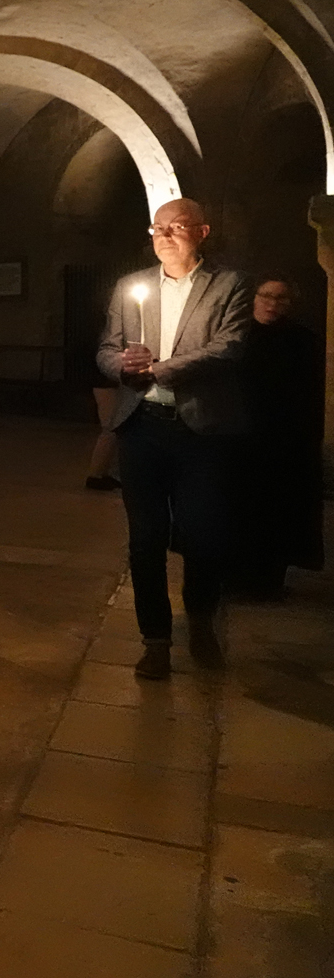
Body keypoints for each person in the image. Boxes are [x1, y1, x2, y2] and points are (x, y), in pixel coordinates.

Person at [96, 198, 251, 679]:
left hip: (200, 429)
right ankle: (156, 639)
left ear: (202, 232)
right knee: (144, 540)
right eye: (158, 228)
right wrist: (121, 365)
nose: (165, 236)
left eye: (176, 227)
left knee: (202, 534)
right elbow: (106, 346)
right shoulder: (130, 287)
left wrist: (158, 368)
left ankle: (201, 620)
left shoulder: (228, 285)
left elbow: (228, 348)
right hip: (142, 426)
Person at [230, 277, 324, 597]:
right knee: (238, 509)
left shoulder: (302, 340)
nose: (272, 303)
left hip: (282, 440)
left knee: (275, 511)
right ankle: (234, 578)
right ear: (254, 298)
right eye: (266, 296)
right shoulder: (237, 336)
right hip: (240, 436)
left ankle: (267, 581)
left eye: (281, 298)